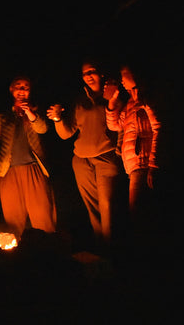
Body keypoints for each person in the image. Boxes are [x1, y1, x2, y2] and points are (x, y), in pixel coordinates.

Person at [46, 59, 122, 252]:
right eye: (84, 73)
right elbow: (66, 133)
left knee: (107, 207)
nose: (88, 76)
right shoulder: (79, 100)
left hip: (106, 156)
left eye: (92, 71)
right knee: (92, 207)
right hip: (81, 159)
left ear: (101, 73)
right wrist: (57, 118)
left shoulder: (113, 95)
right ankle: (102, 250)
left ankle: (113, 250)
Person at [0, 76, 56, 238]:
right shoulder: (3, 117)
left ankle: (50, 252)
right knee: (13, 221)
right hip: (8, 172)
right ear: (12, 91)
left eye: (26, 87)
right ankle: (17, 256)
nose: (22, 90)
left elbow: (42, 128)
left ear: (29, 92)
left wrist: (29, 112)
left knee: (43, 217)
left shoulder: (35, 112)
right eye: (18, 87)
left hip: (33, 169)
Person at [105, 63, 161, 248]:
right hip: (133, 166)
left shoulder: (146, 99)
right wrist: (112, 103)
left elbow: (158, 128)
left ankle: (146, 258)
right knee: (137, 215)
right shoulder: (131, 101)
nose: (121, 79)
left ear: (134, 76)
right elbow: (116, 126)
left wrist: (153, 164)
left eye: (124, 75)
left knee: (140, 215)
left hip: (143, 163)